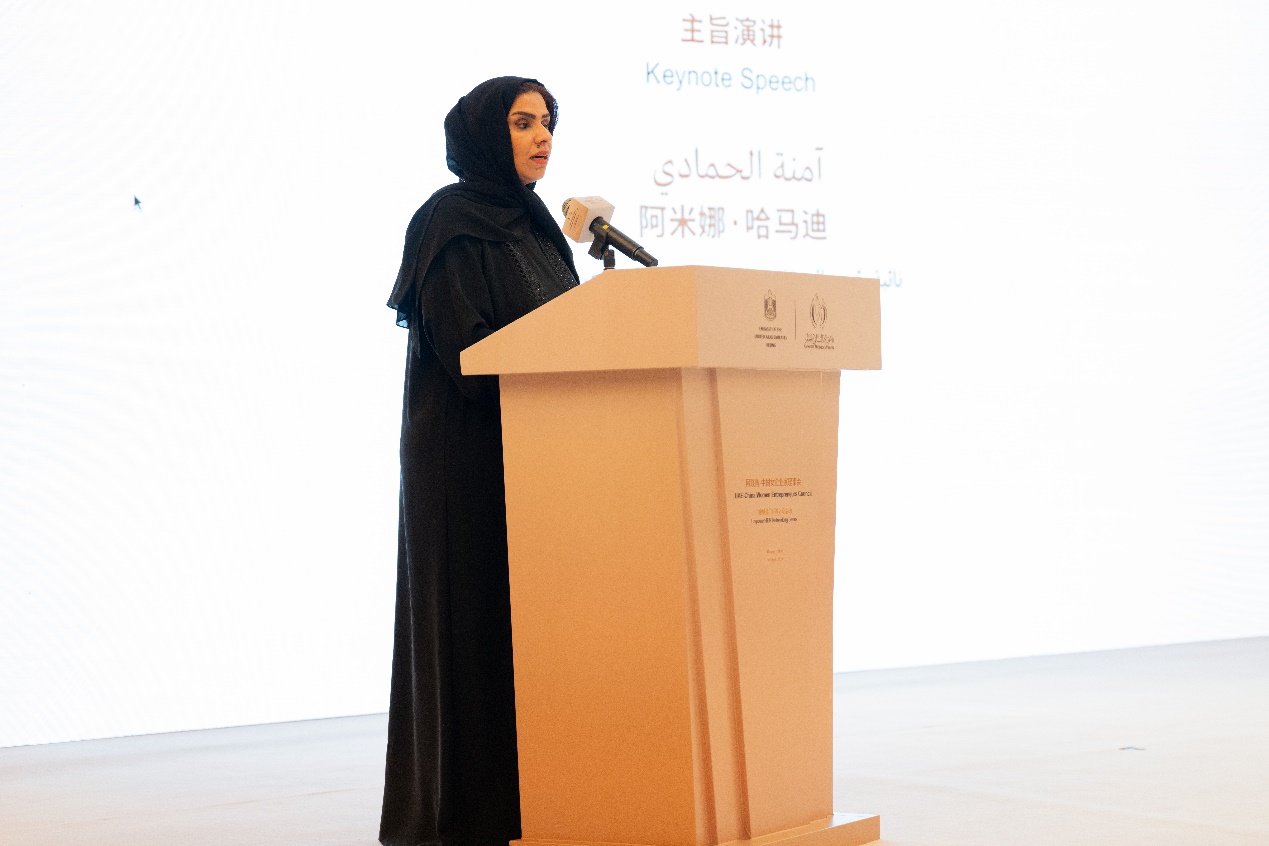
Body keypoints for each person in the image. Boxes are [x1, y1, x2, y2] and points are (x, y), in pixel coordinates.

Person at [380, 76, 580, 846]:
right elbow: (467, 351)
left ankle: (537, 802)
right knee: (469, 632)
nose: (541, 136)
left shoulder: (537, 226)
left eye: (547, 122)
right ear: (483, 134)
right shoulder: (448, 220)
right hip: (465, 460)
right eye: (522, 122)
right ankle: (462, 818)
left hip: (541, 457)